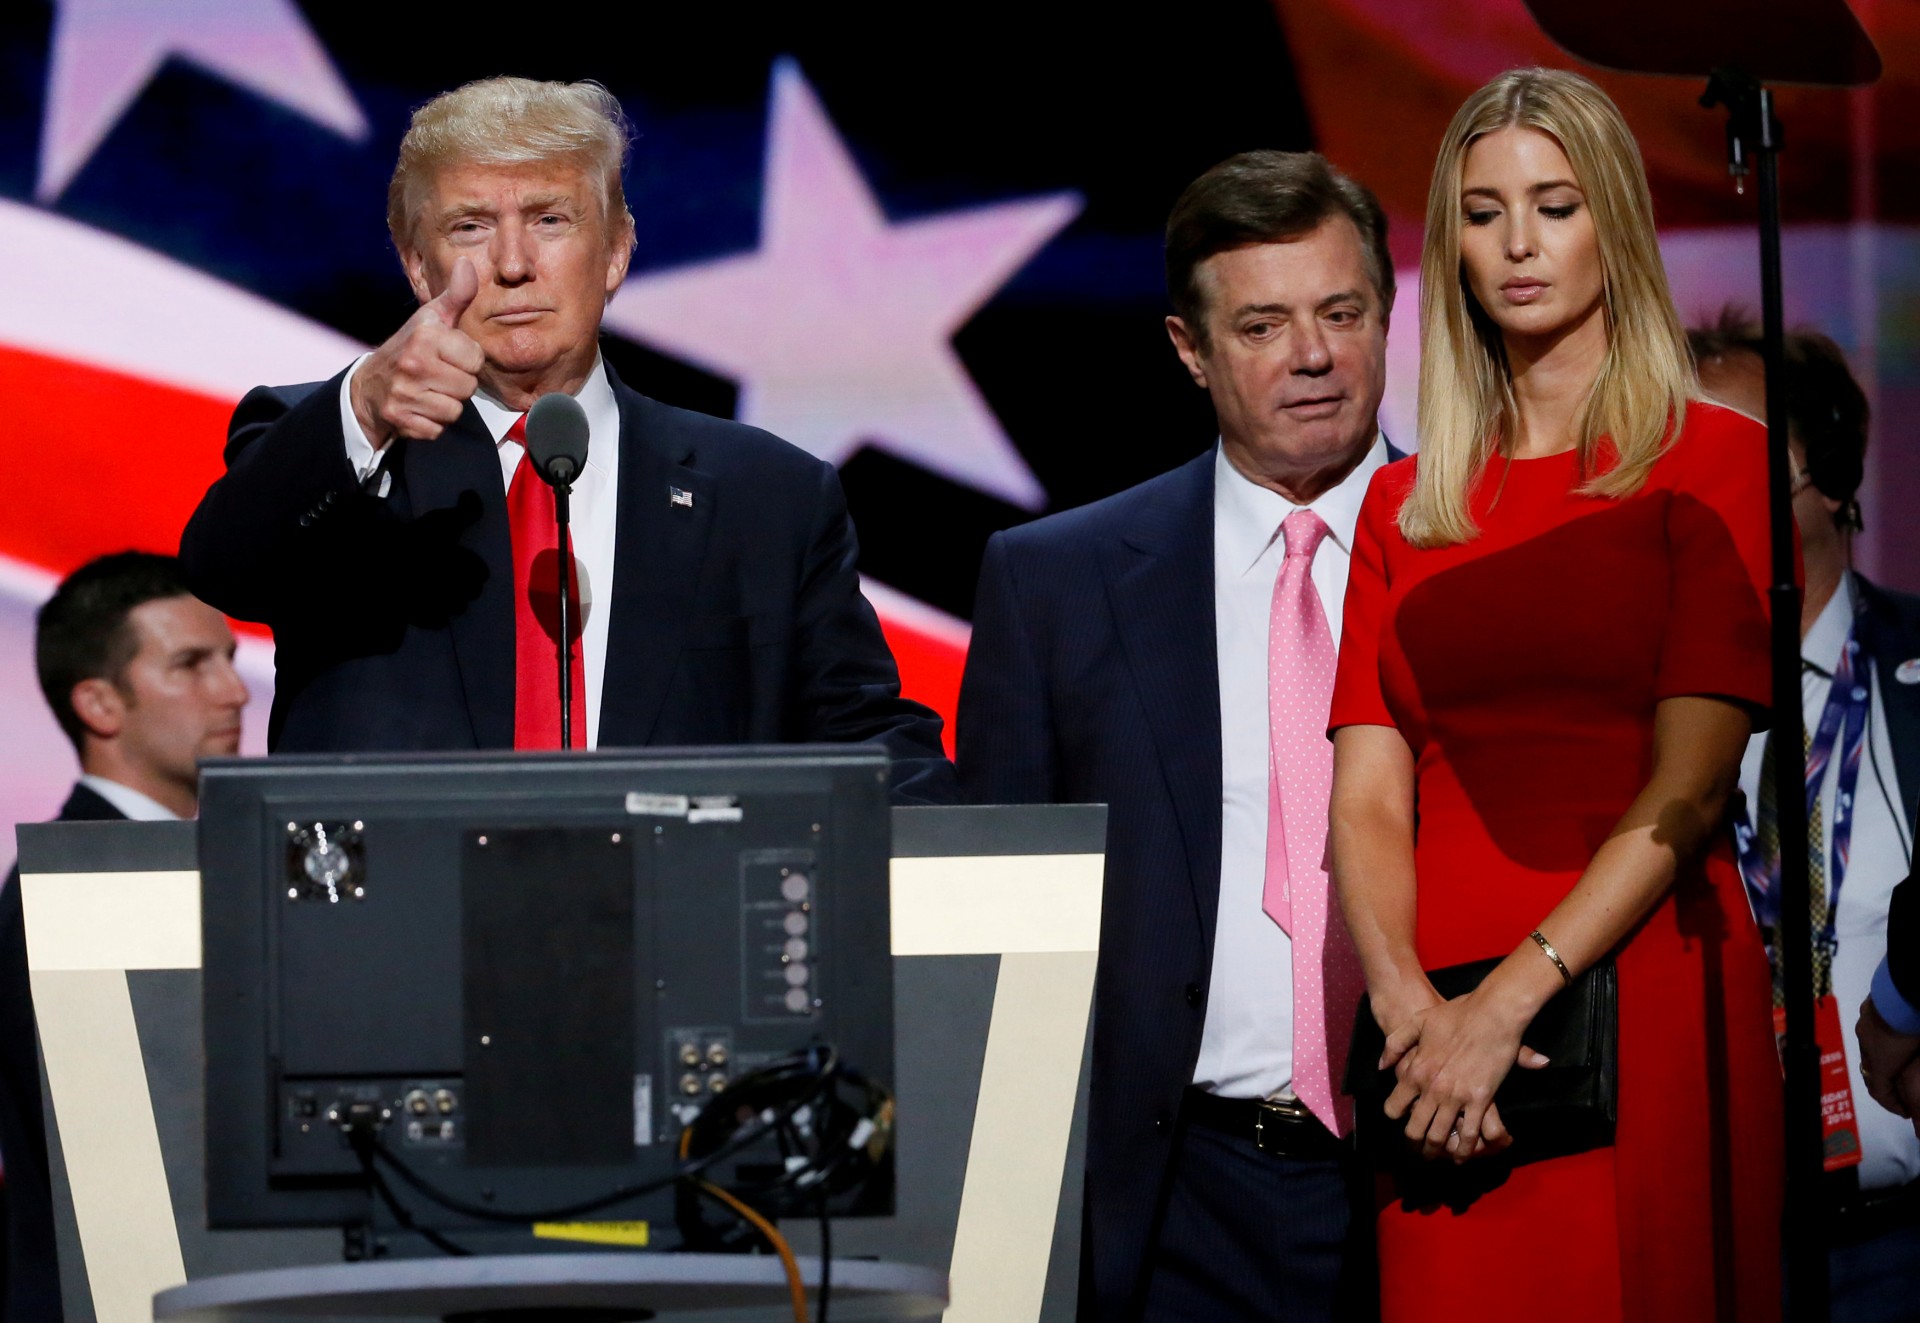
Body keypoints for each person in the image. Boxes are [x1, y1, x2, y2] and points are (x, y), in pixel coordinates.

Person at [1328, 69, 1782, 1322]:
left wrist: (1509, 1004)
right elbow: (1366, 797)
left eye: (1556, 204)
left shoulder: (1714, 462)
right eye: (1482, 214)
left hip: (1643, 980)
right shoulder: (1400, 503)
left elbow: (1690, 787)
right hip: (1433, 1007)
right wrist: (1415, 1015)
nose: (1518, 245)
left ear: (1615, 224)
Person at [178, 77, 952, 803]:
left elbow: (865, 741)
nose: (514, 266)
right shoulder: (343, 447)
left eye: (550, 220)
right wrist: (369, 406)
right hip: (394, 931)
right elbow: (227, 564)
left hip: (675, 931)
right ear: (418, 266)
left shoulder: (765, 494)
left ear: (615, 251)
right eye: (470, 227)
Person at [957, 150, 1397, 1321]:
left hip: (1438, 1174)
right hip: (1171, 1201)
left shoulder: (1485, 547)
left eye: (1340, 313)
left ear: (1387, 318)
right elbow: (998, 933)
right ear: (1189, 350)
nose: (1311, 355)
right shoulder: (1057, 583)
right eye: (1262, 326)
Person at [1689, 311, 1920, 1317]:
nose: (1695, 494)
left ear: (1827, 479)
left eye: (1726, 457)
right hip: (1716, 1253)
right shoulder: (1635, 713)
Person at [1, 551, 248, 1323]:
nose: (235, 691)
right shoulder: (80, 883)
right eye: (192, 665)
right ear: (99, 703)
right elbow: (132, 1176)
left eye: (230, 660)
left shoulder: (126, 868)